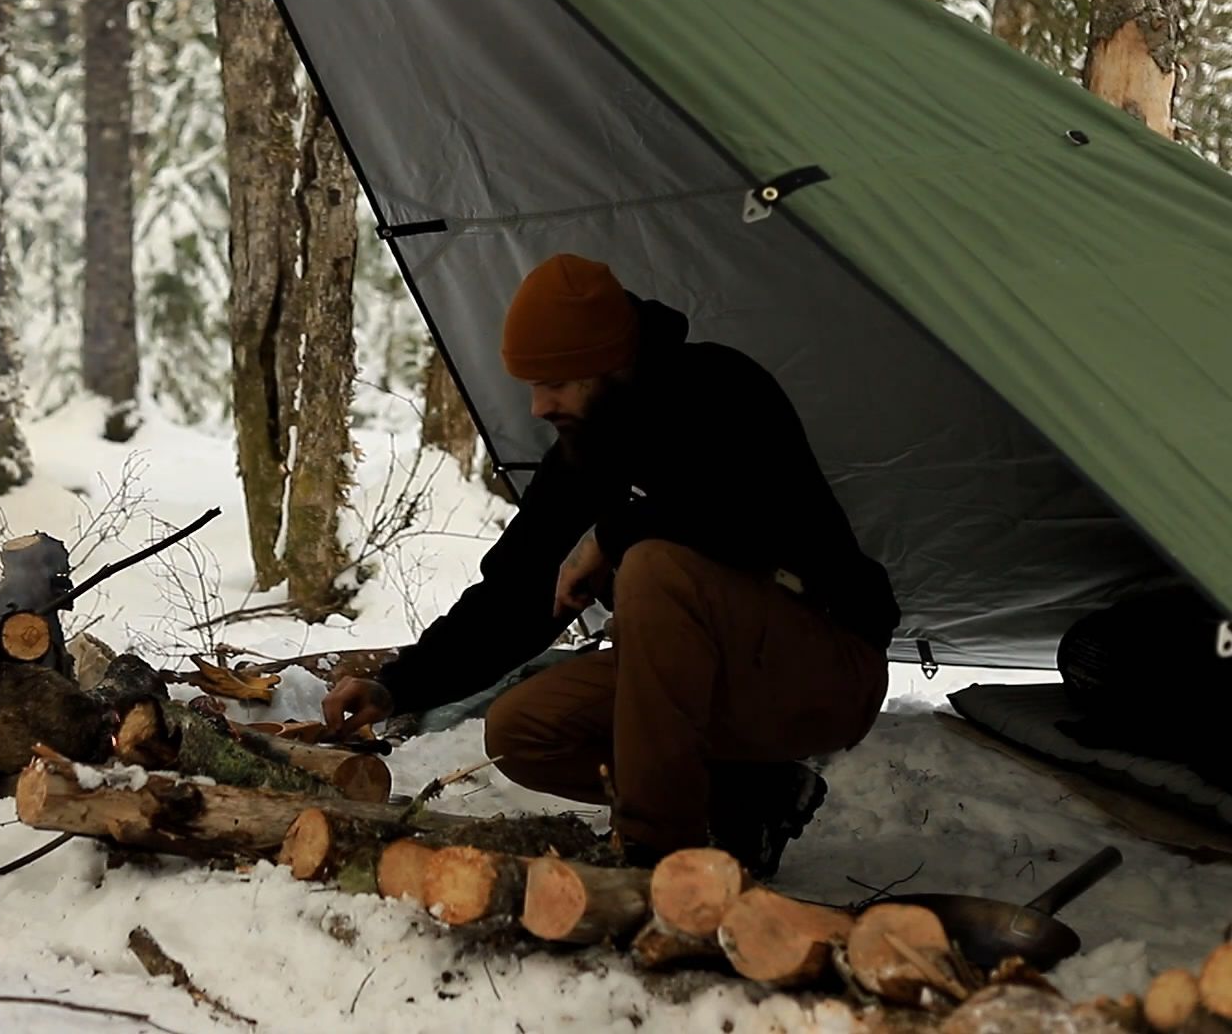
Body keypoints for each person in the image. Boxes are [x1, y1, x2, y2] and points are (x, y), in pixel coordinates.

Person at [321, 253, 900, 878]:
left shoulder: (724, 389)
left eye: (558, 383)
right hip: (714, 687)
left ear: (615, 363)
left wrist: (612, 534)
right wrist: (399, 684)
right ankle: (751, 796)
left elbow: (744, 515)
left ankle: (655, 857)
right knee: (523, 730)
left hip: (826, 667)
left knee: (654, 567)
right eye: (533, 385)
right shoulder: (586, 450)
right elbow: (517, 592)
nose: (540, 406)